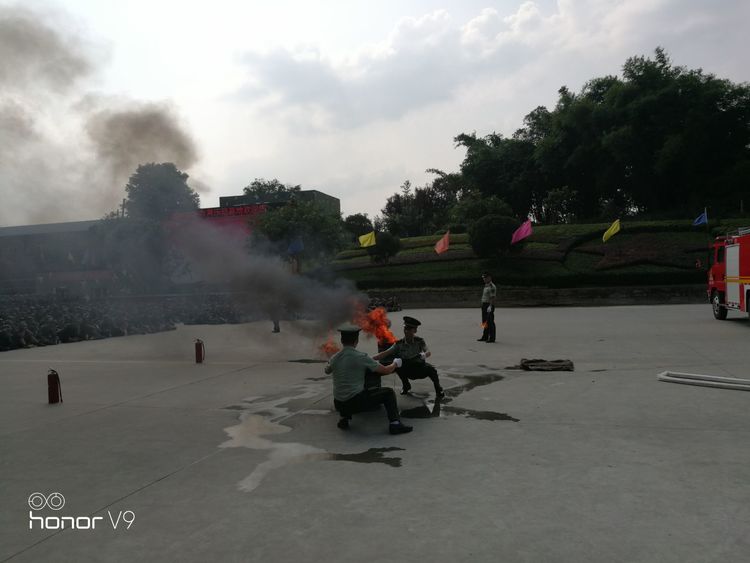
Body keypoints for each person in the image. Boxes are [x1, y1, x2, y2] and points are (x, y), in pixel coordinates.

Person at [325, 325, 413, 434]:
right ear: (356, 341)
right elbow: (386, 370)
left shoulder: (335, 358)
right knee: (389, 393)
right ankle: (395, 424)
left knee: (345, 388)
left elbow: (327, 370)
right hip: (356, 403)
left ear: (342, 340)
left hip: (338, 404)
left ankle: (344, 419)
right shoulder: (361, 357)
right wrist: (395, 363)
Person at [374, 316, 445, 399]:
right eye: (405, 328)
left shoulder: (419, 341)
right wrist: (370, 359)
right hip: (407, 369)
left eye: (409, 329)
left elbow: (428, 352)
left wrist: (423, 355)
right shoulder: (399, 343)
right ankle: (406, 386)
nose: (406, 331)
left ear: (415, 330)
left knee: (432, 370)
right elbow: (385, 353)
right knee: (398, 365)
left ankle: (438, 388)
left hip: (419, 368)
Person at [478, 272, 496, 343]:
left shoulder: (492, 286)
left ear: (489, 278)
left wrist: (490, 306)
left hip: (489, 305)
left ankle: (492, 338)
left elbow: (492, 297)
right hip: (484, 305)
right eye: (483, 278)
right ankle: (485, 336)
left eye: (485, 278)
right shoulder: (486, 285)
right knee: (484, 321)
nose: (484, 279)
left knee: (490, 322)